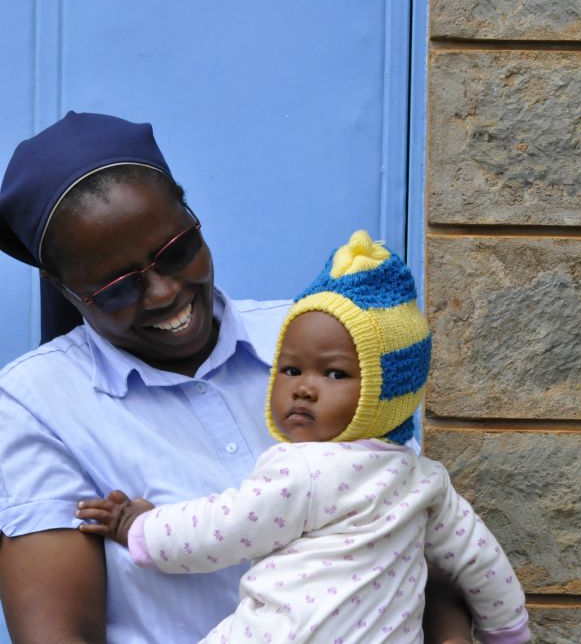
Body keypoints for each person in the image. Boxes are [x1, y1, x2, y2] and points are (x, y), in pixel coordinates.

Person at [0, 112, 476, 643]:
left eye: (176, 252)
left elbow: (416, 537)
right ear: (65, 290)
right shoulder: (38, 402)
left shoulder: (315, 338)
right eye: (116, 288)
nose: (163, 293)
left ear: (192, 216)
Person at [78, 230, 530, 643]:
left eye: (334, 373)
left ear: (385, 392)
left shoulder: (305, 470)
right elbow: (483, 563)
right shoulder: (424, 480)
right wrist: (507, 634)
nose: (304, 387)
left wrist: (137, 527)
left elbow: (221, 529)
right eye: (291, 369)